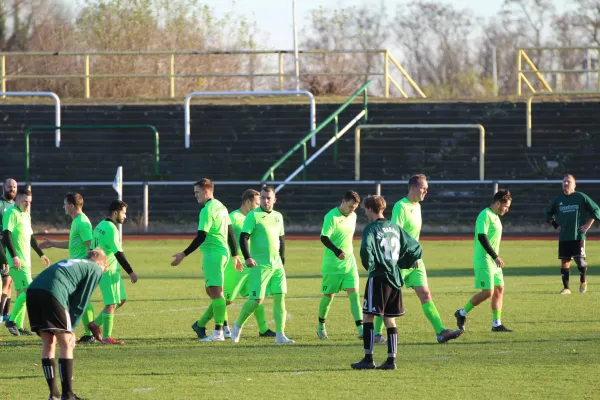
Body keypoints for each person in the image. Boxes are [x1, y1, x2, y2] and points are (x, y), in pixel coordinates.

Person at [373, 175, 462, 344]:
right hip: (400, 260)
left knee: (425, 294)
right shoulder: (401, 206)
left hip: (415, 260)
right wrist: (407, 255)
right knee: (387, 298)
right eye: (423, 188)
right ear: (413, 188)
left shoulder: (418, 206)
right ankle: (376, 333)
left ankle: (440, 332)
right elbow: (395, 234)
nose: (426, 191)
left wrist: (414, 255)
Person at [351, 195, 422, 370]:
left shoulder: (371, 229)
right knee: (390, 319)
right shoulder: (395, 227)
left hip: (379, 277)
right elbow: (415, 247)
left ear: (369, 209)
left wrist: (371, 266)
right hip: (395, 277)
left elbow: (366, 251)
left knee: (368, 315)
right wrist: (409, 261)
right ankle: (391, 360)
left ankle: (368, 359)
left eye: (365, 209)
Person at [26, 249, 109, 400]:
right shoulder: (95, 268)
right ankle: (68, 395)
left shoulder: (75, 262)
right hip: (52, 292)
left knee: (48, 342)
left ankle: (54, 394)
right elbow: (80, 302)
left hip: (33, 291)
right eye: (105, 268)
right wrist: (70, 329)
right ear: (101, 263)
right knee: (66, 343)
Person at [171, 178, 242, 342]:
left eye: (197, 192)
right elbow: (230, 232)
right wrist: (235, 255)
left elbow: (201, 236)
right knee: (213, 292)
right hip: (222, 253)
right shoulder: (221, 206)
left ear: (207, 191)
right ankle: (225, 328)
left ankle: (218, 333)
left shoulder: (207, 210)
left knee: (216, 294)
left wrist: (183, 254)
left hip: (213, 254)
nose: (195, 196)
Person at [230, 185, 294, 344]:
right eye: (263, 198)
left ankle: (280, 335)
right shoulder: (253, 216)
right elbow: (243, 237)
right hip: (260, 264)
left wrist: (282, 261)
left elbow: (282, 240)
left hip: (276, 265)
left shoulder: (278, 216)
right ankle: (237, 326)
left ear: (274, 199)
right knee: (256, 300)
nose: (265, 201)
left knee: (280, 298)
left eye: (268, 198)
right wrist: (247, 257)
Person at [40, 193, 96, 343]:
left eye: (64, 204)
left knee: (74, 300)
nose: (63, 207)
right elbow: (72, 244)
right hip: (75, 267)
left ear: (71, 205)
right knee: (78, 300)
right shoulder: (76, 221)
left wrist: (85, 266)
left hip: (80, 268)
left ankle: (81, 332)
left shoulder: (82, 222)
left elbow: (92, 247)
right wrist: (53, 243)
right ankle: (86, 332)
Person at [455, 190, 513, 333]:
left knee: (499, 289)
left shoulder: (496, 217)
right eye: (506, 206)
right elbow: (482, 237)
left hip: (494, 261)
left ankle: (496, 324)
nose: (507, 209)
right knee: (488, 292)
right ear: (498, 203)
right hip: (484, 259)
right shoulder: (485, 215)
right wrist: (495, 256)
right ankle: (461, 313)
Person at [221, 189, 275, 338]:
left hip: (250, 265)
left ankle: (263, 329)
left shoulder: (255, 217)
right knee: (226, 299)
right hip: (236, 266)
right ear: (248, 202)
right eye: (257, 203)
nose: (260, 205)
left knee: (256, 295)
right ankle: (218, 326)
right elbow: (224, 240)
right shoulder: (233, 217)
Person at [87, 200, 138, 345]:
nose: (125, 216)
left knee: (120, 299)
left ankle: (95, 324)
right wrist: (131, 272)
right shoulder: (111, 229)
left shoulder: (100, 226)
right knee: (111, 303)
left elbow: (92, 249)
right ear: (115, 213)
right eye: (124, 213)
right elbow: (118, 253)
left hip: (106, 269)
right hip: (107, 270)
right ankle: (106, 338)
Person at [3, 188, 51, 336]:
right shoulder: (11, 213)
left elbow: (31, 238)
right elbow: (6, 235)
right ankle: (11, 320)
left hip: (26, 262)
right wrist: (14, 256)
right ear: (18, 200)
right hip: (17, 261)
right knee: (29, 292)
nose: (28, 204)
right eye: (25, 201)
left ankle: (18, 325)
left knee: (22, 293)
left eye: (30, 202)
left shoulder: (25, 215)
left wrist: (41, 254)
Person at [317, 190, 363, 340]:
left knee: (355, 296)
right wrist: (337, 251)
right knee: (328, 297)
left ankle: (361, 330)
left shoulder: (354, 216)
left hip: (349, 264)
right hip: (332, 265)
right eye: (350, 206)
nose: (352, 210)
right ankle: (321, 326)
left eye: (355, 208)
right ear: (343, 202)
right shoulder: (331, 217)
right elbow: (324, 237)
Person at [545, 174, 600, 294]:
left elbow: (596, 210)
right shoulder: (558, 200)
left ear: (574, 185)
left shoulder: (580, 197)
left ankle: (583, 281)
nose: (565, 184)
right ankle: (566, 288)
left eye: (568, 182)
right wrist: (555, 225)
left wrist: (587, 225)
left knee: (579, 261)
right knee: (564, 262)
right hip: (564, 236)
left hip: (578, 236)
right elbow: (548, 213)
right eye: (564, 182)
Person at [0, 178, 17, 323]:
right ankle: (1, 315)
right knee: (5, 281)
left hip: (11, 249)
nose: (12, 189)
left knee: (10, 281)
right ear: (3, 188)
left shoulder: (16, 206)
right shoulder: (1, 204)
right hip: (1, 249)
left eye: (14, 187)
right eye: (9, 186)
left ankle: (6, 314)